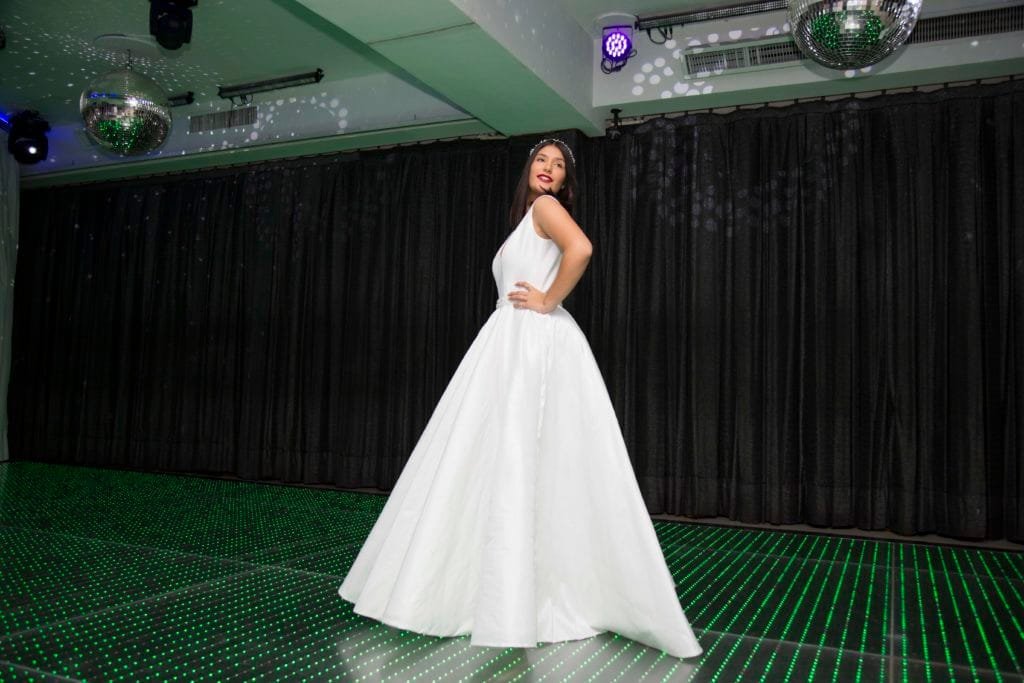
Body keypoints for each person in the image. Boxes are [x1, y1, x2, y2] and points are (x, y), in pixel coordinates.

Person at [338, 139, 702, 659]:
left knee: (514, 455)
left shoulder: (546, 207)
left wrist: (548, 300)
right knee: (515, 460)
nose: (549, 169)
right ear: (528, 168)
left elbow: (582, 249)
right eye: (542, 160)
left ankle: (503, 599)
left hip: (529, 341)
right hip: (514, 342)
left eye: (559, 164)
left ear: (565, 181)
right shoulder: (529, 217)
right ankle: (512, 595)